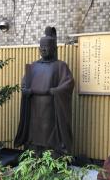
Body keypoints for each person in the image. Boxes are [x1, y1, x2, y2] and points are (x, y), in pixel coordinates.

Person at [14, 27, 74, 155]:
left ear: (54, 49)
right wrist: (25, 90)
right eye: (42, 48)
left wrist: (56, 91)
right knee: (34, 131)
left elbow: (68, 83)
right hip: (34, 107)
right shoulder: (33, 66)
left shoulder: (60, 66)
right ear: (39, 49)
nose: (44, 50)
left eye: (47, 47)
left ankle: (52, 156)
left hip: (51, 107)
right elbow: (25, 84)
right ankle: (34, 155)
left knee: (50, 133)